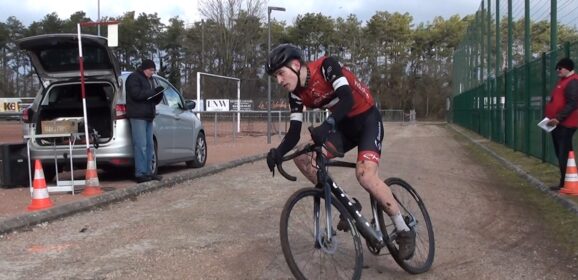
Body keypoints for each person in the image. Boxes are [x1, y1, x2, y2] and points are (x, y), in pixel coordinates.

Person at [265, 44, 416, 259]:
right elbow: (294, 132)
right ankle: (347, 202)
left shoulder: (327, 66)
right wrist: (278, 152)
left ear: (296, 65)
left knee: (365, 175)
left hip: (367, 120)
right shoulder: (296, 95)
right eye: (275, 77)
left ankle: (403, 229)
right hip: (343, 126)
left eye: (280, 73)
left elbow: (347, 99)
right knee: (303, 158)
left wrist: (326, 126)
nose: (279, 81)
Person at [126, 59, 165, 183]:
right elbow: (136, 94)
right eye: (151, 70)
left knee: (149, 146)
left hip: (148, 115)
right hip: (138, 116)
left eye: (153, 70)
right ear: (145, 68)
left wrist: (158, 95)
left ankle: (149, 172)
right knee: (141, 145)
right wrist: (153, 92)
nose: (152, 73)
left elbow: (150, 98)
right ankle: (140, 173)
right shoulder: (133, 78)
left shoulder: (150, 79)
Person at [545, 57, 578, 191]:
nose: (557, 71)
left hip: (566, 123)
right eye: (556, 68)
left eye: (560, 68)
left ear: (568, 68)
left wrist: (558, 118)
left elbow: (573, 103)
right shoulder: (563, 81)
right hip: (557, 123)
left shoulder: (572, 82)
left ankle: (566, 182)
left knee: (564, 152)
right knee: (561, 152)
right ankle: (566, 180)